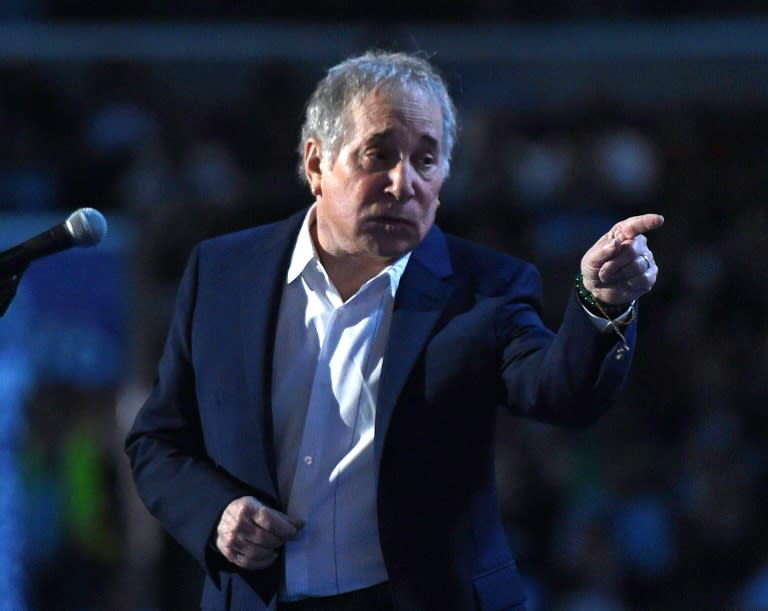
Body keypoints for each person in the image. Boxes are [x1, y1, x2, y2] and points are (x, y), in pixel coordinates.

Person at [125, 50, 663, 611]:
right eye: (377, 155)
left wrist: (599, 303)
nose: (402, 183)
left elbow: (561, 392)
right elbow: (158, 441)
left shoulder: (486, 289)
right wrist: (216, 514)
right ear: (316, 164)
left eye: (425, 161)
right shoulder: (222, 274)